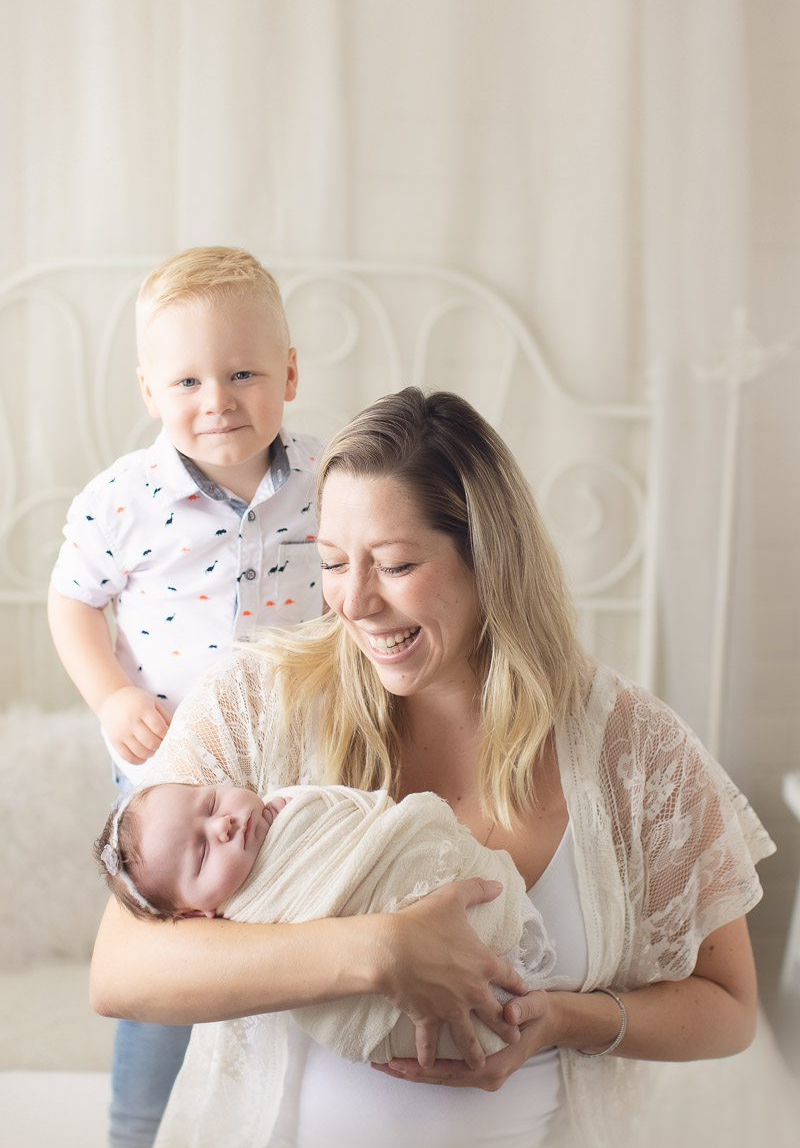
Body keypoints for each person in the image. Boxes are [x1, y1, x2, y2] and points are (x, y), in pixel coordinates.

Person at [90, 388, 775, 1148]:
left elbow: (729, 1007)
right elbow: (122, 971)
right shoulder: (257, 703)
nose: (353, 601)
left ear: (490, 558)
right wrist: (380, 953)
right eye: (333, 563)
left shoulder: (633, 751)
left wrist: (560, 1020)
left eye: (395, 564)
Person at [48, 246, 323, 1148]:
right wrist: (107, 696)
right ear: (148, 389)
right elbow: (72, 602)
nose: (218, 399)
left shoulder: (332, 478)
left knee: (296, 922)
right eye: (189, 379)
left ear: (288, 371)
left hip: (297, 753)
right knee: (169, 954)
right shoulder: (124, 498)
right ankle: (138, 1126)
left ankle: (286, 1112)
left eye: (244, 371)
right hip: (169, 763)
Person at [94, 778, 560, 1065]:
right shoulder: (249, 912)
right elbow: (110, 982)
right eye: (201, 853)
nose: (224, 826)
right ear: (198, 914)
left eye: (212, 802)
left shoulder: (283, 807)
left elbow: (364, 817)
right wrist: (387, 947)